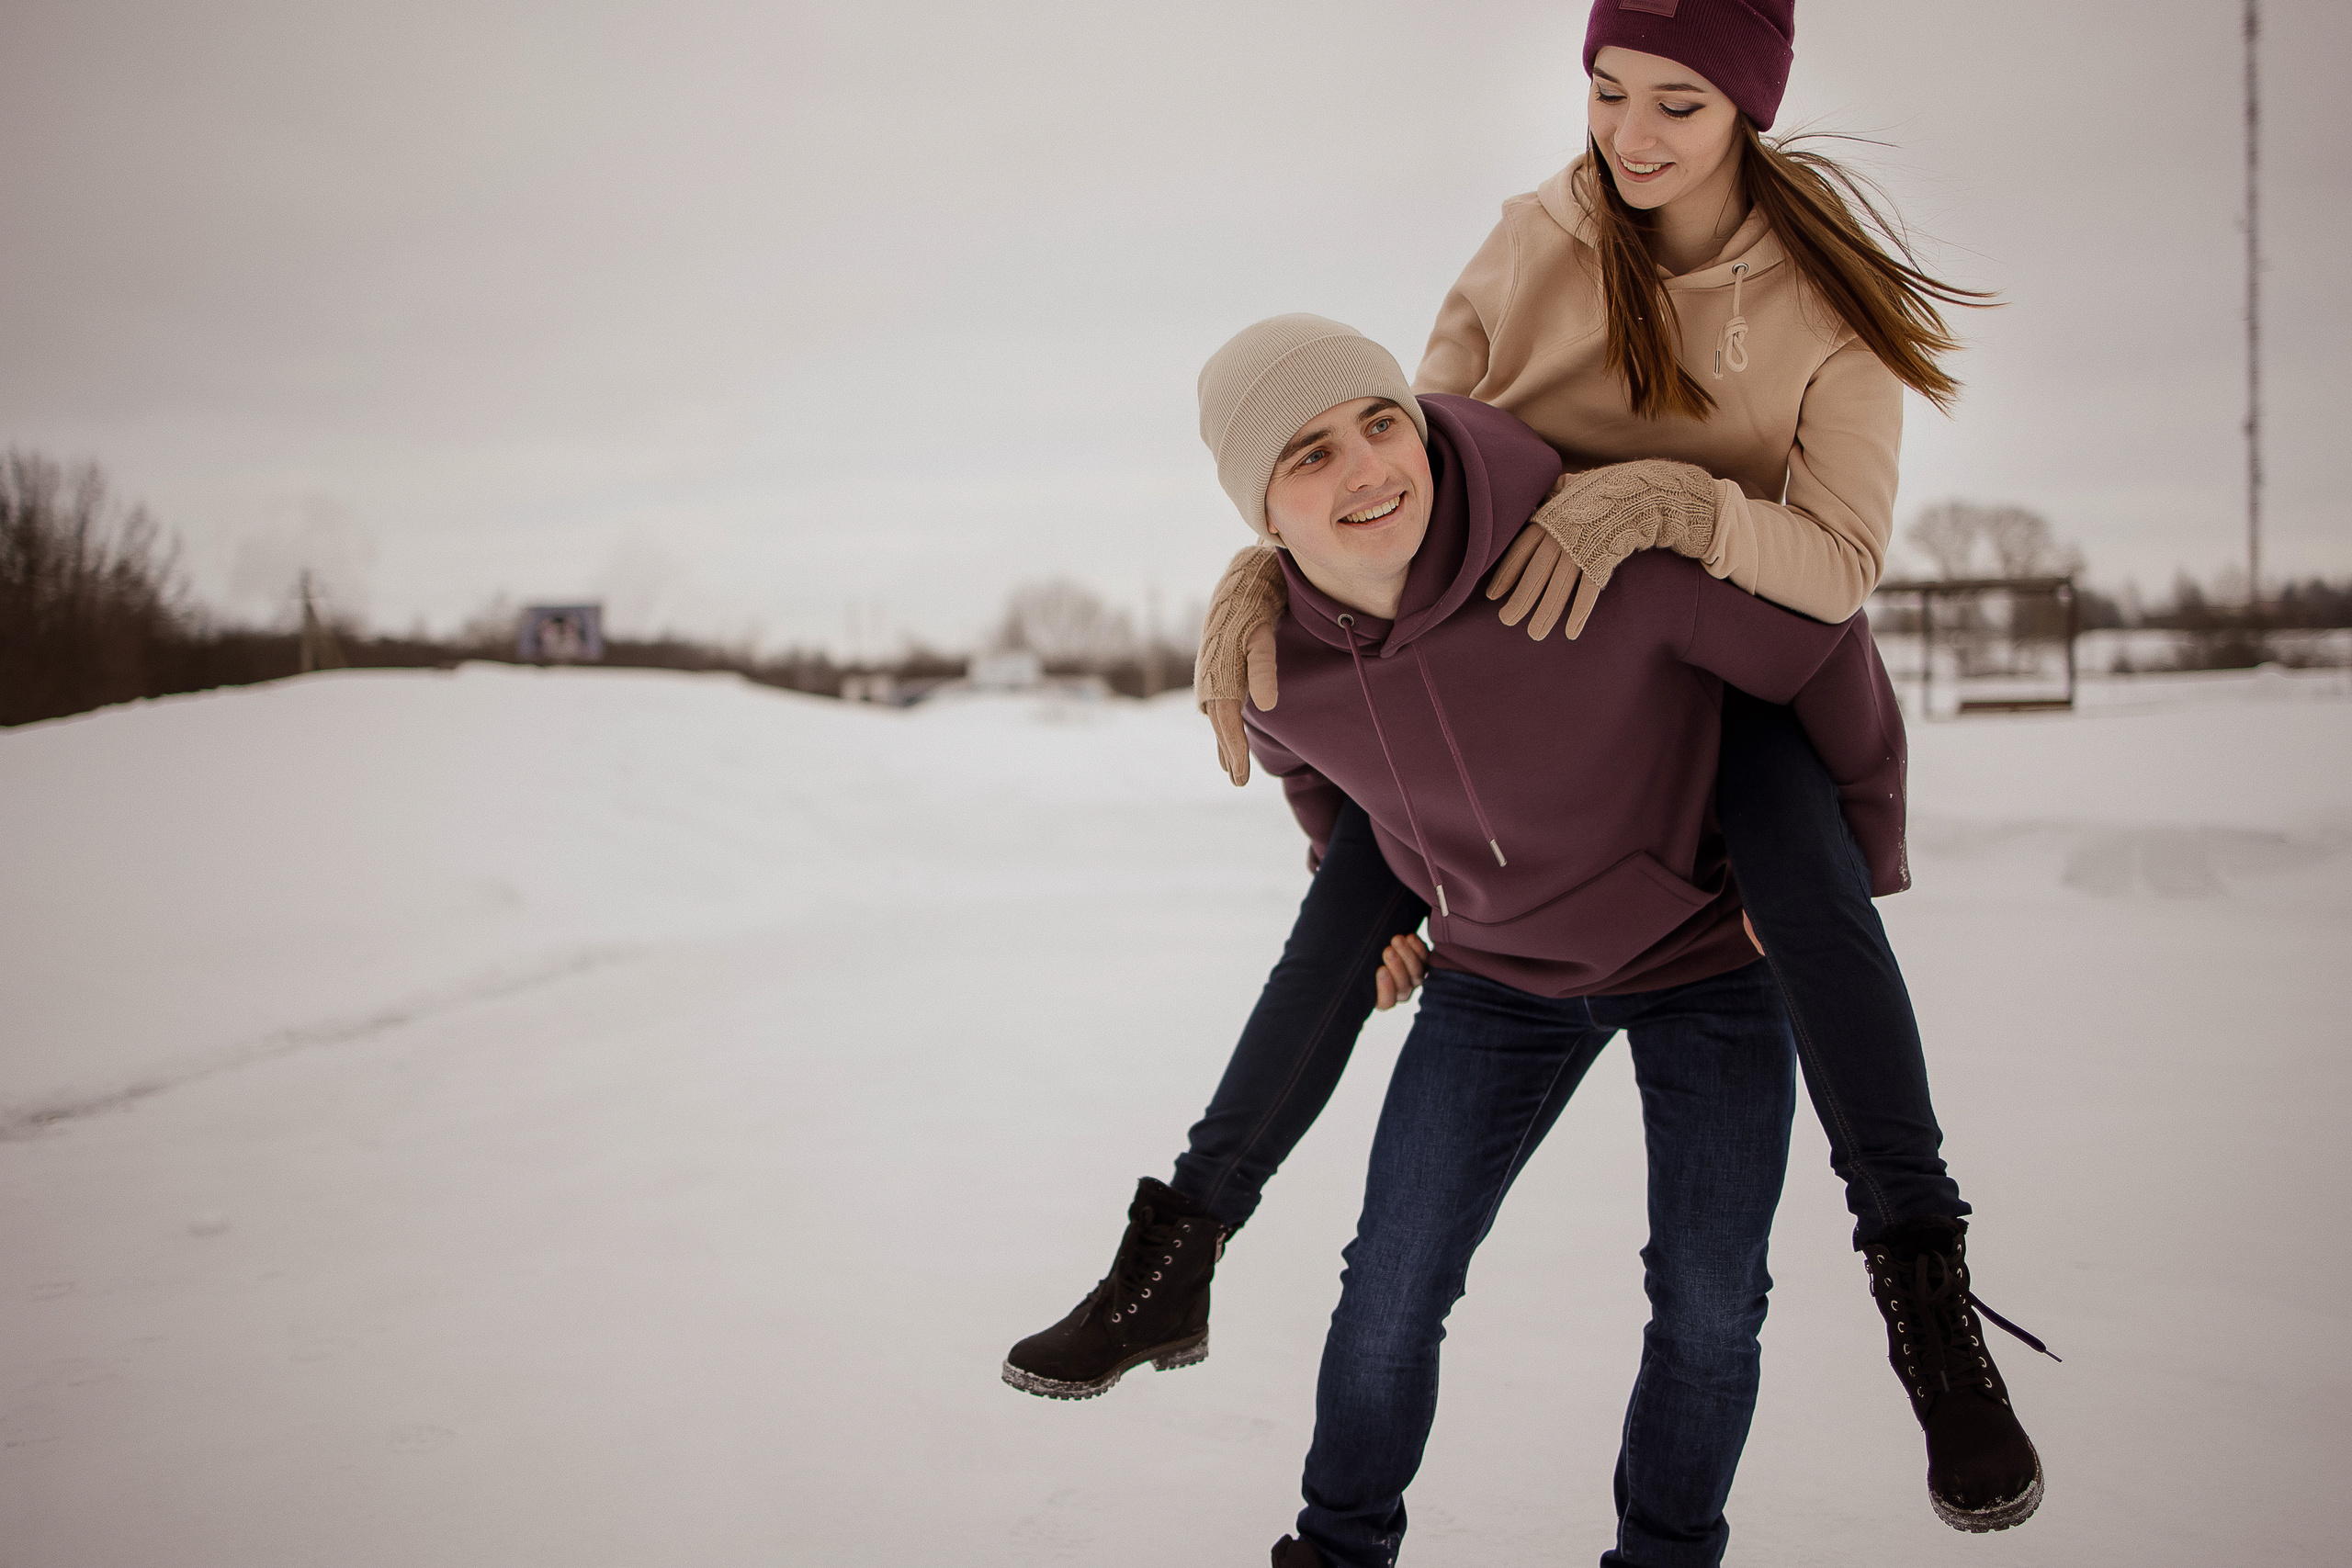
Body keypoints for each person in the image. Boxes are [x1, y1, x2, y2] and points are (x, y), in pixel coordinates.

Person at [1005, 0, 2052, 1543]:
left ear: (1748, 108)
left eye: (1677, 105)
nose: (1630, 137)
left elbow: (1834, 575)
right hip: (1499, 637)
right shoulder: (1535, 240)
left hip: (1707, 633)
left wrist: (1670, 512)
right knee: (1351, 892)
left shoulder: (1821, 311)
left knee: (1797, 892)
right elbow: (1408, 445)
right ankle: (1183, 1257)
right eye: (1608, 90)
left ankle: (1925, 1295)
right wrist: (1268, 583)